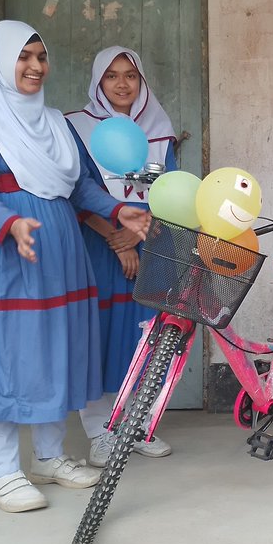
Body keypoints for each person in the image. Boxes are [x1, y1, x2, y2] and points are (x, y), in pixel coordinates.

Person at [0, 21, 150, 513]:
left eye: (40, 57)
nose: (35, 67)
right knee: (2, 353)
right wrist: (9, 224)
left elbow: (79, 188)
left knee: (58, 348)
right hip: (3, 255)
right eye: (23, 57)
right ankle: (3, 472)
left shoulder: (56, 122)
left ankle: (49, 456)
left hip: (58, 255)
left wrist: (119, 210)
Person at [66, 47, 178, 466]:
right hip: (98, 244)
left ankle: (138, 424)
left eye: (130, 75)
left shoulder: (158, 130)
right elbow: (76, 188)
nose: (121, 84)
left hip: (148, 240)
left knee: (142, 333)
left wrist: (135, 237)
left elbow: (166, 191)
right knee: (99, 332)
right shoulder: (77, 128)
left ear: (141, 80)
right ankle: (99, 431)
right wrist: (116, 237)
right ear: (98, 82)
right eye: (111, 76)